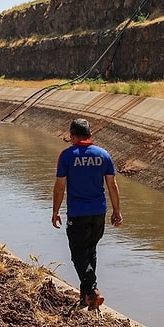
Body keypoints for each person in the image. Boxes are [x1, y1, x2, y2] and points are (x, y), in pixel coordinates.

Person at [51, 118, 122, 311]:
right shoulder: (104, 155)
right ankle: (85, 298)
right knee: (90, 251)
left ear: (72, 136)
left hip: (78, 213)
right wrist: (116, 211)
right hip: (99, 212)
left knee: (78, 254)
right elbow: (112, 185)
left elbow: (60, 187)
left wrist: (55, 211)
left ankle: (92, 290)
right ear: (90, 135)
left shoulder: (67, 155)